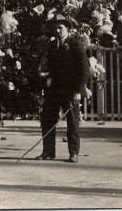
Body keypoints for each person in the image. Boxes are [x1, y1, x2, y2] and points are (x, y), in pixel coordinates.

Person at [36, 15, 90, 163]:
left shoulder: (76, 44)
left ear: (67, 29)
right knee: (47, 119)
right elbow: (51, 68)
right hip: (54, 89)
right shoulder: (53, 46)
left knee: (72, 121)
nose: (57, 30)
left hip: (70, 90)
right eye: (55, 28)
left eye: (60, 28)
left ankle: (73, 153)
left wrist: (78, 90)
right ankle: (48, 151)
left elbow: (84, 69)